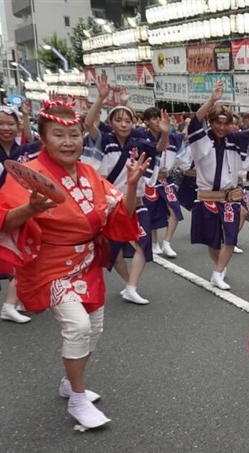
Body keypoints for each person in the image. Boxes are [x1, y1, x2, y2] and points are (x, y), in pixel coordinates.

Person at [0, 99, 149, 429]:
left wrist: (133, 186)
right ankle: (78, 398)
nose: (68, 142)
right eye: (59, 135)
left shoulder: (90, 174)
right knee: (77, 326)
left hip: (87, 261)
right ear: (43, 137)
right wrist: (31, 209)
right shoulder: (29, 174)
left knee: (94, 328)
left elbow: (118, 212)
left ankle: (70, 383)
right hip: (49, 265)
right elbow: (4, 220)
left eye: (74, 135)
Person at [82, 74, 160, 305]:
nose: (124, 124)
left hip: (136, 203)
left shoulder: (140, 141)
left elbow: (159, 148)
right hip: (112, 206)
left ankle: (132, 286)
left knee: (143, 244)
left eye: (128, 120)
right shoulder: (103, 140)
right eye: (119, 120)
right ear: (111, 122)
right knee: (113, 252)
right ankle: (129, 285)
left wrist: (163, 132)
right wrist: (102, 97)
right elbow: (88, 124)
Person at [188, 80, 249, 290]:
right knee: (212, 242)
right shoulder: (201, 139)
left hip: (230, 197)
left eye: (226, 123)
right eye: (218, 122)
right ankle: (219, 266)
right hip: (207, 197)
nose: (222, 127)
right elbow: (195, 122)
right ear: (211, 122)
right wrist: (212, 99)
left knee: (230, 237)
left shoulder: (234, 138)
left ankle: (217, 273)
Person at [0, 103, 42, 323]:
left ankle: (12, 301)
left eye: (9, 123)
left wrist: (25, 115)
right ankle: (10, 303)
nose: (5, 128)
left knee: (20, 254)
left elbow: (36, 143)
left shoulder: (24, 151)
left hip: (19, 210)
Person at [141, 107, 185, 259]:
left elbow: (186, 136)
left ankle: (167, 242)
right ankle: (153, 244)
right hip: (148, 180)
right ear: (146, 121)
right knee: (151, 211)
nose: (158, 122)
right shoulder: (143, 137)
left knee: (174, 209)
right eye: (154, 118)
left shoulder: (172, 138)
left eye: (159, 118)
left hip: (166, 180)